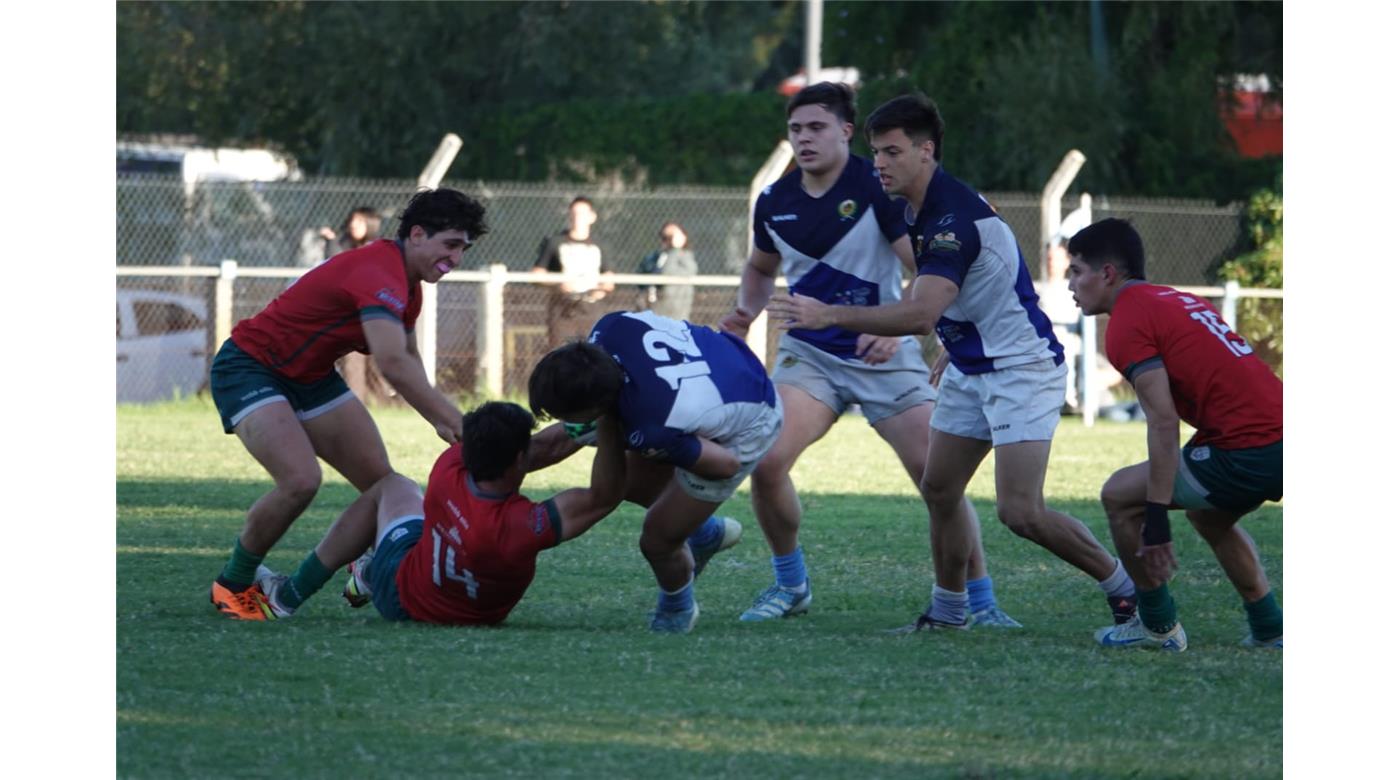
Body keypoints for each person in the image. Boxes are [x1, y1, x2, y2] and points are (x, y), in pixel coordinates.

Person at [768, 93, 1137, 631]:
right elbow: (957, 290)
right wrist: (954, 337)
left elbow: (920, 311)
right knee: (939, 487)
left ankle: (1126, 591)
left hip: (1021, 368)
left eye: (893, 152)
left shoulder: (949, 217)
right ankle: (948, 613)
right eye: (876, 152)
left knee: (1021, 513)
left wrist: (829, 314)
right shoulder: (911, 205)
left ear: (927, 151)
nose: (881, 164)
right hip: (970, 363)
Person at [718, 82, 1013, 626]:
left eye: (816, 127)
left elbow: (923, 269)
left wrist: (898, 331)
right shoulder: (775, 200)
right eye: (795, 129)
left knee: (936, 478)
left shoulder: (875, 184)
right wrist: (744, 312)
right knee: (768, 461)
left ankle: (982, 601)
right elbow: (761, 268)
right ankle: (791, 585)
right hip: (810, 356)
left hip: (883, 352)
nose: (804, 139)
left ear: (845, 131)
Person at [207, 187, 487, 621]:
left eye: (463, 249)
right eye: (450, 245)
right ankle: (232, 584)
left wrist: (446, 424)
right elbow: (392, 362)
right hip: (250, 367)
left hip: (312, 379)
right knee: (300, 481)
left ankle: (332, 578)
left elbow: (409, 361)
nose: (456, 258)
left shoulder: (409, 288)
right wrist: (459, 421)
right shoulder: (379, 271)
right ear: (416, 234)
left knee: (386, 487)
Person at [1065, 218, 1283, 652]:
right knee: (1210, 516)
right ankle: (1271, 627)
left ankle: (1157, 626)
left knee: (1119, 497)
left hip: (1249, 447)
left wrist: (1157, 516)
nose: (1070, 284)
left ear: (1107, 274)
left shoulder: (1127, 322)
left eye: (1075, 271)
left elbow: (1163, 421)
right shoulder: (1180, 299)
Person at [251, 402, 629, 624]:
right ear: (519, 460)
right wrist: (607, 421)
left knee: (391, 487)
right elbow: (602, 496)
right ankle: (364, 570)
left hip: (404, 594)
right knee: (407, 522)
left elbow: (534, 452)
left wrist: (589, 423)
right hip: (470, 614)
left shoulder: (448, 471)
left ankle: (287, 597)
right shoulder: (523, 526)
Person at [529, 310, 783, 633]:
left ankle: (678, 606)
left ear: (600, 407)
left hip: (751, 422)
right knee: (629, 479)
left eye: (564, 414)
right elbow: (560, 441)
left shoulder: (650, 426)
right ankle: (703, 533)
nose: (561, 420)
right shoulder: (610, 326)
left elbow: (725, 465)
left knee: (658, 539)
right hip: (727, 365)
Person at [532, 196, 615, 346]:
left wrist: (600, 290)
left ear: (592, 217)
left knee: (593, 357)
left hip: (591, 309)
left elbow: (609, 280)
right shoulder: (555, 242)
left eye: (582, 214)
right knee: (561, 357)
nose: (578, 218)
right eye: (574, 213)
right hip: (562, 310)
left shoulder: (600, 245)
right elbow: (537, 274)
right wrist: (558, 284)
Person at [638, 221, 698, 321]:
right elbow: (641, 274)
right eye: (665, 237)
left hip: (675, 315)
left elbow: (667, 273)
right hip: (652, 311)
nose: (668, 241)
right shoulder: (655, 257)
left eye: (671, 237)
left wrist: (675, 249)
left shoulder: (685, 257)